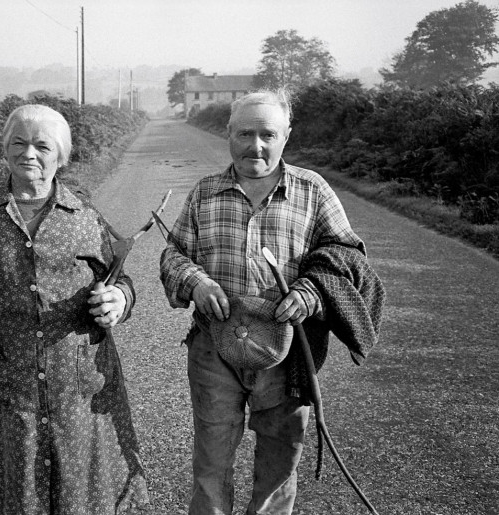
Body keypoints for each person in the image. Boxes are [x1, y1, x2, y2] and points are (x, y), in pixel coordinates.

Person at [159, 89, 383, 514]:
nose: (255, 145)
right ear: (228, 133)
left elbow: (348, 255)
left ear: (287, 136)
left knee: (280, 461)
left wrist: (312, 291)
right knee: (212, 459)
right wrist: (195, 281)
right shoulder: (205, 193)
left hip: (287, 353)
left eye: (268, 134)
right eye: (245, 133)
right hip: (214, 346)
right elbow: (174, 254)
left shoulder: (312, 190)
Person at [0, 104, 148, 514]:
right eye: (19, 143)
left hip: (80, 379)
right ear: (5, 149)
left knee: (84, 493)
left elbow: (121, 279)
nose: (29, 154)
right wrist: (2, 304)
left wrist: (120, 300)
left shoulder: (84, 216)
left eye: (42, 146)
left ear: (60, 156)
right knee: (22, 490)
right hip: (13, 378)